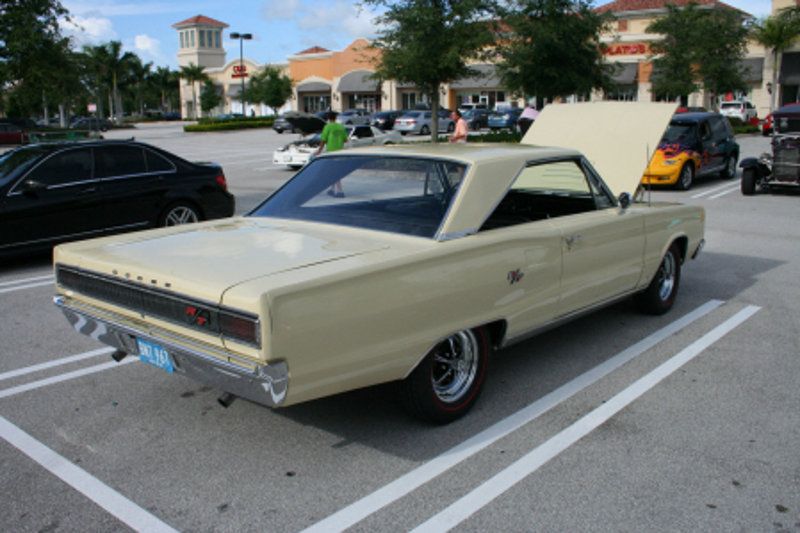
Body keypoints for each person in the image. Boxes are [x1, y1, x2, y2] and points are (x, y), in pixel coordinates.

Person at [315, 110, 348, 197]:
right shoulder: (341, 127)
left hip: (331, 152)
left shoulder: (327, 127)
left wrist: (319, 151)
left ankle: (340, 191)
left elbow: (323, 140)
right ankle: (332, 189)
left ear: (328, 118)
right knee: (333, 171)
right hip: (340, 152)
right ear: (335, 118)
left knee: (334, 172)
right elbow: (345, 139)